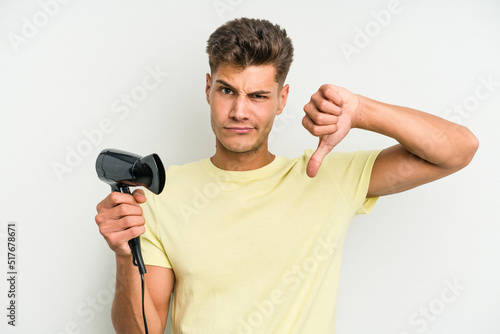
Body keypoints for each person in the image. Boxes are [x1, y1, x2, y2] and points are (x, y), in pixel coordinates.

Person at [95, 17, 478, 334]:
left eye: (258, 96)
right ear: (209, 89)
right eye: (228, 91)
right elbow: (143, 330)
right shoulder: (159, 193)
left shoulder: (326, 177)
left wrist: (362, 111)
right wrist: (125, 255)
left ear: (282, 99)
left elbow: (458, 150)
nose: (240, 112)